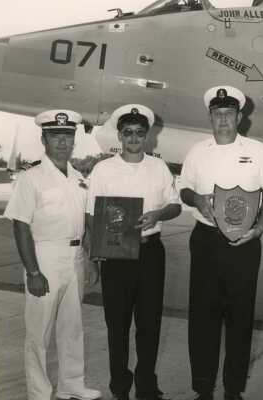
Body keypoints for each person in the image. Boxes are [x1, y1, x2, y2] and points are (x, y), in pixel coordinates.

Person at [179, 86, 263, 400]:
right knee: (202, 316)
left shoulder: (257, 150)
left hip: (245, 243)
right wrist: (195, 198)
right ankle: (202, 388)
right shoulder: (197, 151)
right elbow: (184, 189)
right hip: (206, 242)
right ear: (210, 117)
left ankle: (233, 389)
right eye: (217, 114)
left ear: (239, 116)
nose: (223, 119)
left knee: (240, 317)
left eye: (229, 113)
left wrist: (261, 229)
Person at [4, 110, 102, 400]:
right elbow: (21, 226)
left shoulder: (78, 178)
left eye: (67, 135)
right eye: (56, 135)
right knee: (39, 332)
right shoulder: (31, 178)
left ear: (74, 139)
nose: (63, 141)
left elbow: (84, 222)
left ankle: (71, 384)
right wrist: (33, 272)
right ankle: (39, 392)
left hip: (75, 258)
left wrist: (91, 259)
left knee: (72, 328)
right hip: (44, 257)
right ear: (43, 138)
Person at [86, 104, 181, 400]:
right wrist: (94, 255)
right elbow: (91, 215)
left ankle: (147, 386)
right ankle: (120, 388)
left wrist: (158, 215)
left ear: (148, 136)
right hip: (115, 257)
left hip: (150, 253)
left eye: (140, 132)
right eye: (128, 132)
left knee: (149, 325)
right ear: (120, 135)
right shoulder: (103, 169)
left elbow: (175, 205)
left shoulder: (159, 167)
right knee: (117, 327)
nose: (134, 137)